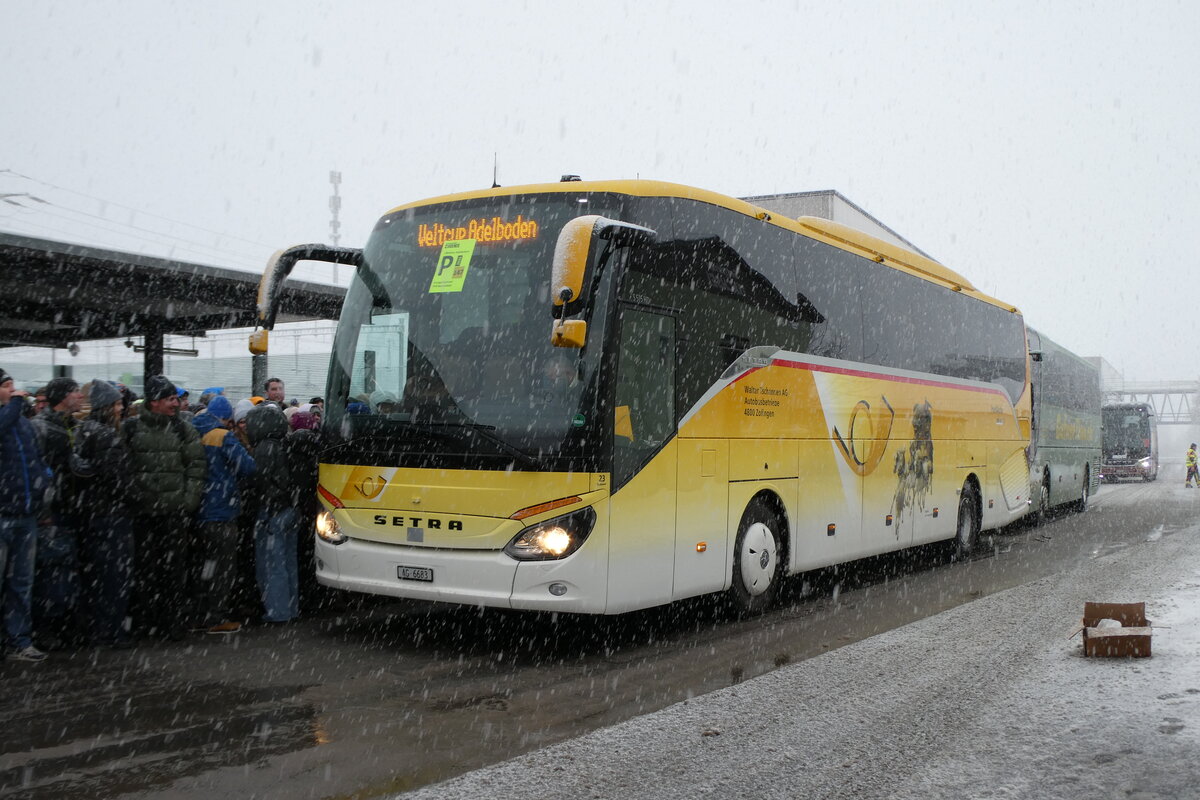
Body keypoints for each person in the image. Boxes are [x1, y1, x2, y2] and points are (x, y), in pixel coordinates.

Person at [123, 375, 205, 640]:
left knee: (173, 571)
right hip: (143, 514)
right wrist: (135, 497)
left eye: (177, 399)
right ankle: (147, 622)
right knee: (144, 570)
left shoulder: (184, 430)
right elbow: (123, 468)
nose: (177, 404)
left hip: (173, 514)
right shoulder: (131, 429)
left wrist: (187, 502)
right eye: (171, 399)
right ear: (154, 401)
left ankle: (171, 623)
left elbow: (196, 468)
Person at [70, 380, 135, 648]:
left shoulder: (84, 430)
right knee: (115, 576)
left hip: (93, 512)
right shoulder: (107, 435)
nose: (121, 408)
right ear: (108, 407)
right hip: (112, 515)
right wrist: (134, 498)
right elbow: (118, 479)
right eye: (118, 404)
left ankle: (97, 629)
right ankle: (112, 631)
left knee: (97, 574)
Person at [191, 396, 256, 634]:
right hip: (221, 508)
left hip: (200, 508)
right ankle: (217, 617)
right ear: (227, 418)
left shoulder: (193, 431)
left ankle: (199, 615)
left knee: (205, 567)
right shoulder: (221, 435)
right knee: (223, 567)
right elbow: (248, 466)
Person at [0, 368, 51, 662]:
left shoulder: (22, 424)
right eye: (7, 386)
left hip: (26, 514)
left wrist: (45, 480)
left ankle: (19, 640)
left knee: (21, 582)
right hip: (4, 513)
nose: (14, 390)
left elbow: (37, 459)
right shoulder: (9, 419)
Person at [30, 377, 85, 648]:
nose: (80, 396)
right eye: (75, 391)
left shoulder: (70, 426)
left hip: (68, 509)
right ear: (63, 397)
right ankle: (46, 628)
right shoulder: (44, 429)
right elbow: (38, 473)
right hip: (53, 513)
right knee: (51, 570)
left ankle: (61, 625)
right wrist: (44, 508)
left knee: (64, 570)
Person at [246, 404, 301, 624]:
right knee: (288, 563)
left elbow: (258, 481)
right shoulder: (286, 443)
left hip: (271, 512)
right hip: (290, 509)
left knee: (271, 565)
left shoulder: (263, 448)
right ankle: (291, 608)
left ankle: (277, 612)